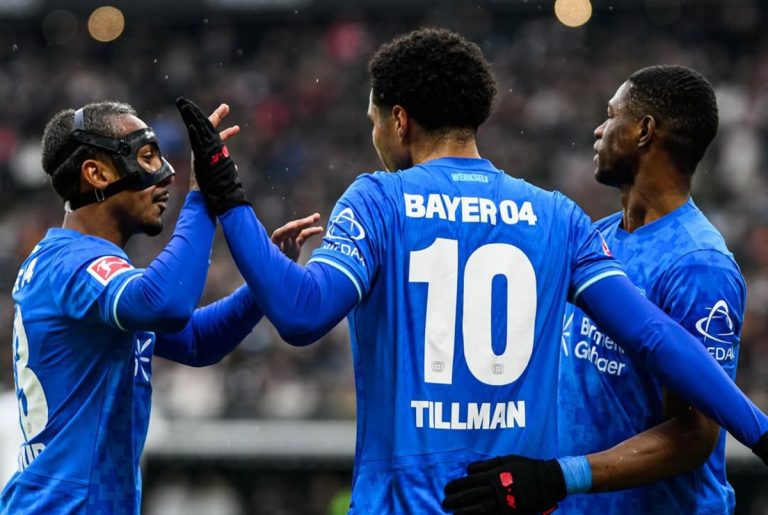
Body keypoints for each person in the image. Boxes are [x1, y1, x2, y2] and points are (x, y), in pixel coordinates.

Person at [182, 29, 768, 513]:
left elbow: (300, 313)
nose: (375, 136)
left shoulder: (379, 201)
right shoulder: (558, 218)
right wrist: (761, 433)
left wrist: (227, 196)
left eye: (373, 120)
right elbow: (656, 336)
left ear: (400, 121)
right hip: (513, 501)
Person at [442, 66, 750, 515]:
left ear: (644, 130)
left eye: (611, 115)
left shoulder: (699, 264)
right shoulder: (594, 239)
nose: (599, 130)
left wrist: (561, 476)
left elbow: (694, 434)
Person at [0, 100, 320, 514]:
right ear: (97, 173)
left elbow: (197, 341)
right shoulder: (72, 264)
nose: (167, 173)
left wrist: (264, 281)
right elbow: (166, 303)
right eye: (147, 157)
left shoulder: (78, 268)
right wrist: (201, 197)